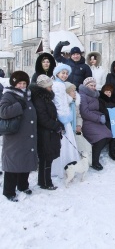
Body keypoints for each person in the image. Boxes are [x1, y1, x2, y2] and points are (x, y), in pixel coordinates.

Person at [0, 71, 38, 202]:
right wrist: (18, 106)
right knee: (13, 163)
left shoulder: (27, 95)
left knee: (25, 160)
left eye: (24, 83)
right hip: (14, 137)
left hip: (27, 135)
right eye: (19, 83)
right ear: (14, 84)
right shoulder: (9, 95)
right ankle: (8, 191)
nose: (22, 86)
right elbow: (3, 112)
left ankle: (23, 185)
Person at [30, 75, 64, 190]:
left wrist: (58, 124)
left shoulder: (45, 97)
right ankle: (45, 182)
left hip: (49, 132)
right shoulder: (39, 99)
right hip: (44, 133)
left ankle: (44, 181)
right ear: (44, 87)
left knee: (47, 158)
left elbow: (51, 115)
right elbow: (42, 118)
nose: (51, 88)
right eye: (50, 86)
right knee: (45, 158)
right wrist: (56, 126)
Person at [51, 63, 80, 178]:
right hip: (62, 118)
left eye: (66, 73)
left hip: (63, 116)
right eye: (63, 73)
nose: (65, 75)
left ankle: (66, 166)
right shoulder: (58, 85)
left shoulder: (60, 84)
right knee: (64, 144)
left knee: (66, 143)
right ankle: (62, 167)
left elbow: (63, 99)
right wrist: (63, 118)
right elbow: (59, 104)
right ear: (57, 73)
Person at [79, 77, 112, 170]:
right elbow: (84, 112)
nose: (93, 87)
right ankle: (94, 161)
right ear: (86, 86)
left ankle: (93, 153)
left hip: (95, 121)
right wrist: (98, 118)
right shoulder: (82, 96)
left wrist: (102, 115)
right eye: (90, 85)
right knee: (101, 139)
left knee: (108, 136)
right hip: (87, 122)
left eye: (94, 85)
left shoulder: (94, 95)